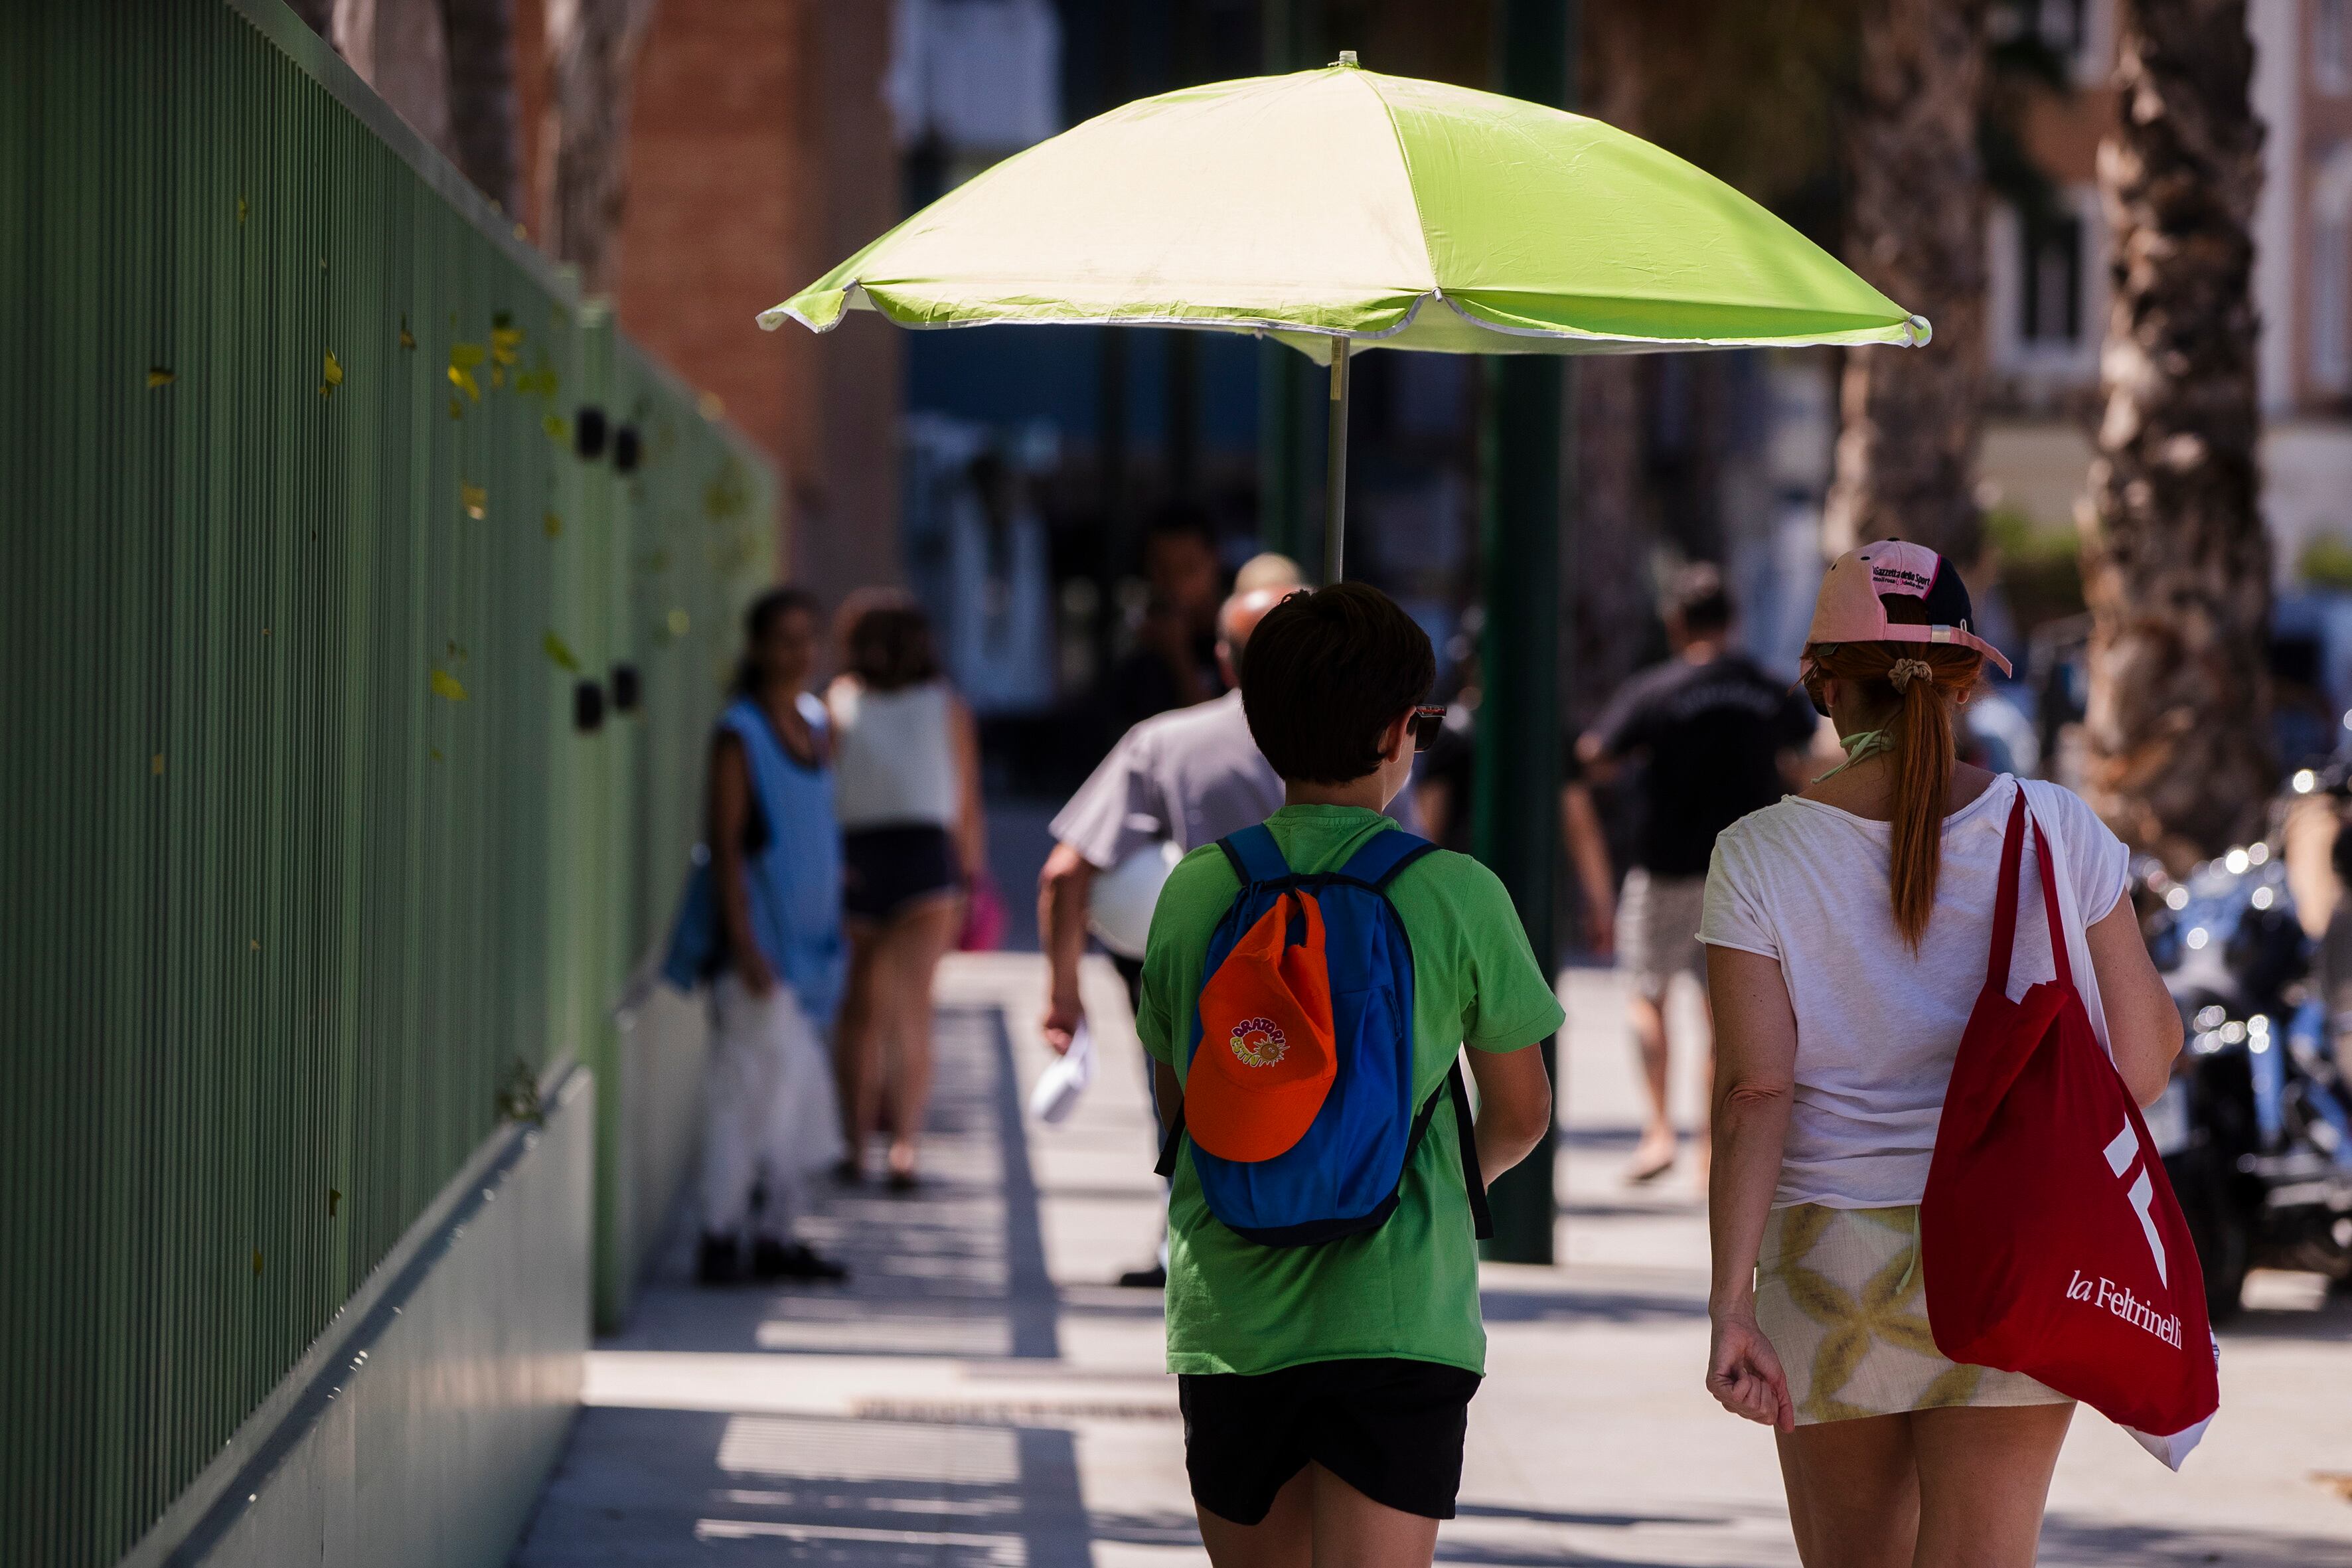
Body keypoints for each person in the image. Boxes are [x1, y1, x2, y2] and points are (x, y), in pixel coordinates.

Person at [1700, 542, 2180, 1567]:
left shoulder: (1756, 853)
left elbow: (1754, 1089)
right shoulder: (2057, 828)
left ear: (1821, 684)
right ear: (1965, 679)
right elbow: (2141, 1056)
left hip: (1826, 1246)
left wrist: (1729, 1302)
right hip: (2017, 1242)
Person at [1138, 583, 1563, 1568]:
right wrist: (1455, 1189)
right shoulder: (1455, 892)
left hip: (1229, 1316)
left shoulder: (1197, 888)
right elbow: (1520, 1108)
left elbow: (1182, 1105)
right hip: (1399, 1311)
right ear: (1392, 731)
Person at [1579, 564, 1818, 1184]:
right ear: (1732, 621)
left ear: (1676, 622)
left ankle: (1659, 1131)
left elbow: (1594, 755)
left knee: (1647, 996)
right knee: (1726, 1016)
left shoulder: (1653, 690)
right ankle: (1713, 1148)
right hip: (1746, 873)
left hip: (1664, 866)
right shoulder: (1767, 690)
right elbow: (1809, 754)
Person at [665, 586, 850, 1285]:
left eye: (809, 637)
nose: (798, 652)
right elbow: (727, 848)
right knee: (744, 1094)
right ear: (758, 646)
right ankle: (720, 1236)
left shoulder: (815, 723)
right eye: (784, 639)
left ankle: (777, 1234)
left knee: (797, 1098)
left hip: (814, 954)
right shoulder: (739, 733)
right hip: (761, 954)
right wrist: (744, 945)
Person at [827, 590, 987, 1190]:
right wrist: (972, 875)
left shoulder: (838, 702)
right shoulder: (946, 705)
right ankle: (904, 1147)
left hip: (858, 856)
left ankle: (854, 1144)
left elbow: (827, 792)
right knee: (911, 1011)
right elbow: (967, 801)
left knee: (859, 1013)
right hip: (925, 858)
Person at [1415, 623, 1616, 957]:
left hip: (1462, 892)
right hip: (1531, 896)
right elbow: (1581, 826)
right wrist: (1601, 902)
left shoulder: (1454, 731)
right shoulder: (1549, 730)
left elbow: (1427, 828)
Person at [1108, 508, 1225, 732]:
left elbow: (1220, 735)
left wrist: (1179, 656)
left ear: (1215, 560)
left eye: (1188, 567)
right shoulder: (1136, 642)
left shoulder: (1235, 639)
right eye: (1163, 569)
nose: (1175, 582)